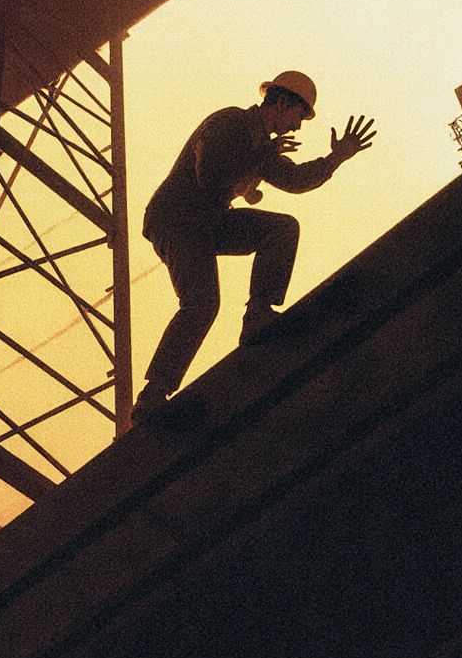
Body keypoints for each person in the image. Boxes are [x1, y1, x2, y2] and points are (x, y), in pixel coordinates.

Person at [134, 71, 376, 423]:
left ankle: (258, 316)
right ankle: (152, 397)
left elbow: (294, 180)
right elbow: (210, 176)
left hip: (208, 222)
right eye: (298, 115)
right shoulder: (231, 122)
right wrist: (255, 161)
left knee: (281, 229)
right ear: (281, 103)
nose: (298, 126)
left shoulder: (263, 147)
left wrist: (335, 158)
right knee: (202, 303)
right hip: (177, 220)